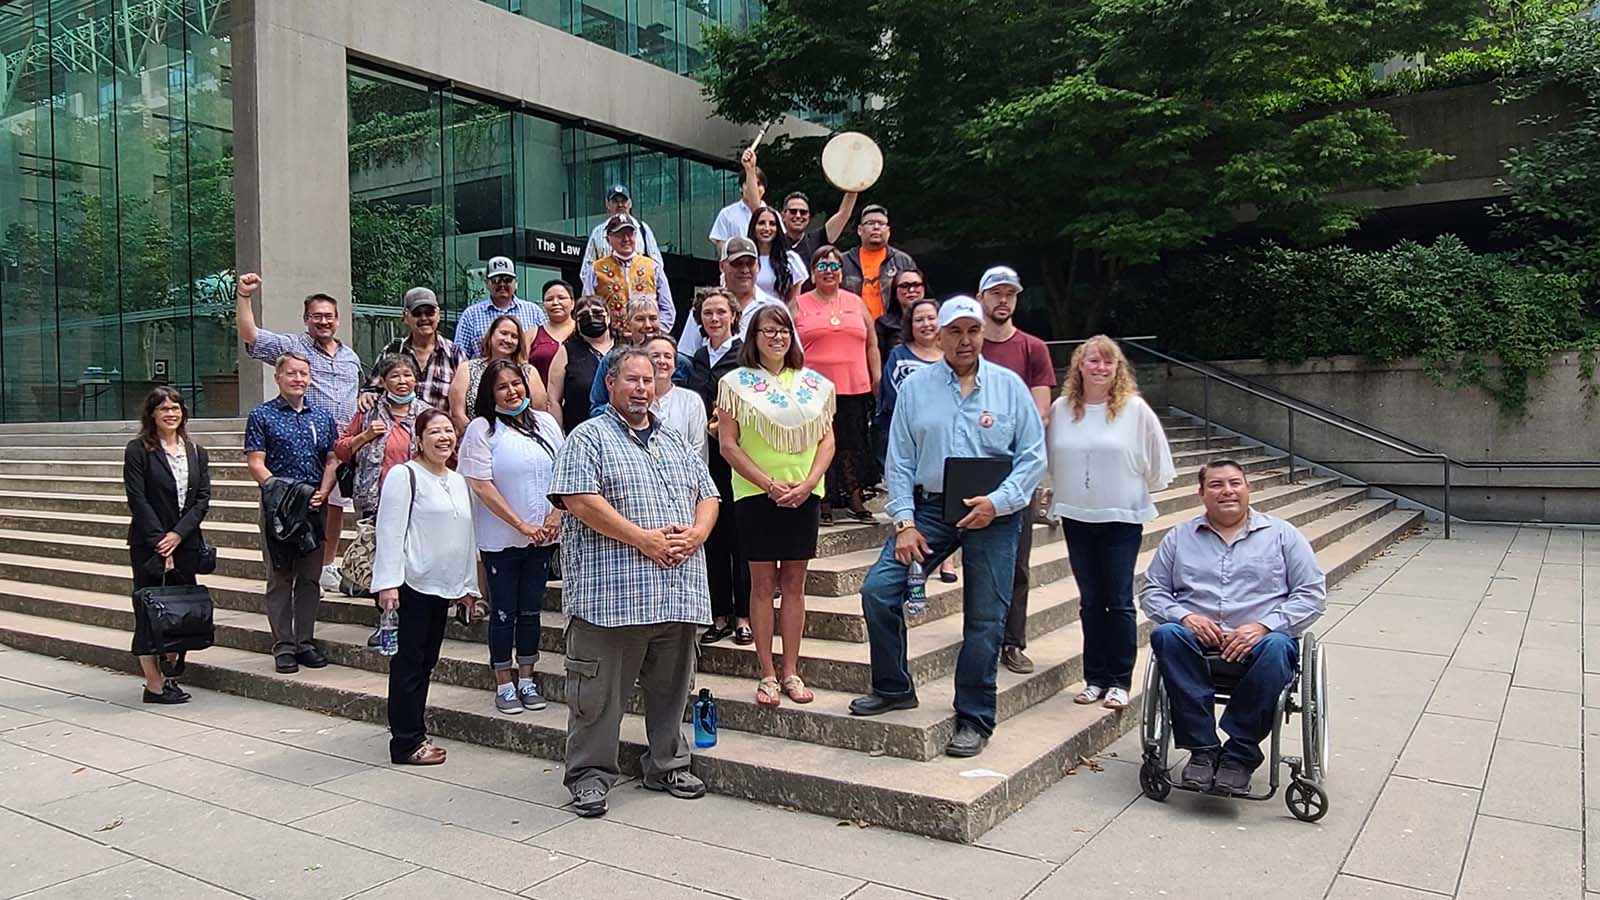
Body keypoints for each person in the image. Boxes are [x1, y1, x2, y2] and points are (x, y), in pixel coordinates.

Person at [849, 297, 1046, 759]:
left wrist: (999, 502)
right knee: (878, 590)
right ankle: (893, 687)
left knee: (984, 617)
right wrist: (904, 522)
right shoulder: (916, 388)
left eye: (971, 331)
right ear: (938, 337)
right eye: (953, 332)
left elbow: (1032, 456)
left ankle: (974, 716)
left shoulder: (1009, 387)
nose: (964, 340)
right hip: (931, 509)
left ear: (982, 333)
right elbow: (897, 458)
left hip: (994, 515)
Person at [550, 349, 721, 818]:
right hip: (611, 598)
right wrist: (642, 539)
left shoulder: (675, 442)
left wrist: (699, 533)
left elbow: (708, 494)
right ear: (610, 383)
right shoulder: (589, 437)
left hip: (675, 590)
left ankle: (667, 765)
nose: (642, 388)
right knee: (597, 697)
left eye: (649, 380)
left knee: (672, 690)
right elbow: (578, 499)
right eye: (632, 379)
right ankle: (589, 777)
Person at [1141, 459, 1326, 795]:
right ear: (1201, 494)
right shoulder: (1179, 538)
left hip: (1260, 643)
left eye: (1234, 483)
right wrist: (1185, 617)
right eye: (1216, 485)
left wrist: (1265, 626)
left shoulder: (1282, 535)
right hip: (1196, 642)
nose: (1227, 491)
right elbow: (1152, 593)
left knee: (1279, 647)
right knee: (1166, 634)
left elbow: (1312, 595)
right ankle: (1203, 750)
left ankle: (1239, 754)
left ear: (1247, 488)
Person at [1045, 336, 1175, 710]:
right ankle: (1094, 677)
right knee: (1090, 600)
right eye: (1093, 361)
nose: (1100, 368)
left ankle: (1119, 680)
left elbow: (1156, 462)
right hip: (1076, 516)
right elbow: (1053, 459)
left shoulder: (1134, 410)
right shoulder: (1063, 408)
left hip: (1120, 517)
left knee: (1117, 599)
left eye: (1108, 362)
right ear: (1079, 366)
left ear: (1118, 369)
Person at [716, 305, 836, 706]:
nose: (776, 337)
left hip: (804, 492)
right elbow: (728, 444)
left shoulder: (814, 384)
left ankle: (791, 671)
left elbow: (828, 440)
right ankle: (767, 672)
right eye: (768, 330)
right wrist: (767, 484)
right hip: (756, 494)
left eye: (783, 330)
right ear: (754, 336)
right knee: (762, 584)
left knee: (795, 585)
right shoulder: (736, 383)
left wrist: (810, 481)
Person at [235, 272, 361, 595]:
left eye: (329, 316)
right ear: (306, 319)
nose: (323, 322)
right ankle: (300, 568)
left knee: (335, 506)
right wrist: (244, 296)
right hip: (306, 436)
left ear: (338, 320)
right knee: (307, 504)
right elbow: (251, 335)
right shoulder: (293, 346)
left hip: (342, 443)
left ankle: (326, 565)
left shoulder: (350, 356)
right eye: (316, 316)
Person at [459, 359, 565, 715]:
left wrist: (554, 515)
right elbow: (480, 485)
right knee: (504, 611)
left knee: (531, 610)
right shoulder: (481, 430)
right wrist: (521, 525)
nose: (512, 391)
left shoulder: (547, 423)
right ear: (490, 394)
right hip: (502, 539)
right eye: (502, 386)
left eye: (516, 383)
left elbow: (566, 473)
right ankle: (503, 681)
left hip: (544, 536)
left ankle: (527, 677)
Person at [374, 408, 478, 766]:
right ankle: (405, 742)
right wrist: (388, 585)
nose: (443, 437)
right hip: (411, 585)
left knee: (426, 662)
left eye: (449, 431)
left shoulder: (458, 480)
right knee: (409, 664)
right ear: (419, 439)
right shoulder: (405, 476)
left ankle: (415, 729)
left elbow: (467, 538)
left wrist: (468, 586)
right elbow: (389, 531)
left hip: (443, 586)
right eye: (434, 431)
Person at [977, 265, 1058, 676]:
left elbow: (1040, 411)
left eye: (1010, 293)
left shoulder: (1032, 348)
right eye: (996, 293)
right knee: (976, 560)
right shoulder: (969, 345)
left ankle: (1012, 640)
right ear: (982, 299)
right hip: (972, 467)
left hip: (1016, 468)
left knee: (1017, 561)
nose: (1003, 300)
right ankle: (980, 638)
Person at [244, 351, 339, 674]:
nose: (298, 379)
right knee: (280, 576)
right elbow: (256, 462)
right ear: (278, 378)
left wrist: (324, 491)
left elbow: (331, 459)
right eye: (291, 374)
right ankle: (283, 645)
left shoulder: (322, 417)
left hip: (314, 504)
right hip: (279, 508)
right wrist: (281, 493)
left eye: (303, 374)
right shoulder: (262, 415)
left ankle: (305, 642)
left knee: (310, 578)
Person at [123, 386, 211, 704]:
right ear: (152, 414)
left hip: (186, 543)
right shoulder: (138, 450)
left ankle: (171, 671)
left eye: (175, 408)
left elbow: (202, 499)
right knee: (149, 612)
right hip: (150, 545)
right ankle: (154, 684)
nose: (170, 413)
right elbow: (138, 499)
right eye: (163, 409)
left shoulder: (196, 451)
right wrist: (161, 540)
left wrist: (178, 535)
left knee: (180, 611)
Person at [793, 245, 880, 526]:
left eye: (834, 266)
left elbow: (872, 343)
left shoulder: (856, 302)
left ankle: (855, 498)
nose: (829, 272)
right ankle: (825, 502)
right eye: (822, 266)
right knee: (820, 445)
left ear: (842, 273)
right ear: (812, 273)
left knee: (852, 444)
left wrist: (876, 377)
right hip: (813, 390)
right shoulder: (798, 303)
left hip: (854, 387)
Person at [686, 288, 752, 645]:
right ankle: (719, 613)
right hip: (705, 460)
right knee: (712, 536)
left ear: (732, 316)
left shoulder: (744, 355)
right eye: (708, 313)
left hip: (737, 457)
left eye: (720, 312)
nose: (714, 318)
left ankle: (743, 615)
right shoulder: (697, 359)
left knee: (741, 537)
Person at [875, 297, 956, 583]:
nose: (926, 323)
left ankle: (948, 562)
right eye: (919, 319)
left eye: (931, 317)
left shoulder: (953, 358)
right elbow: (894, 392)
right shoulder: (899, 354)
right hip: (911, 435)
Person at [336, 354, 424, 522]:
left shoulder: (426, 414)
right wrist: (365, 436)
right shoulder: (368, 410)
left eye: (407, 375)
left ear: (415, 380)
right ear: (383, 382)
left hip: (417, 499)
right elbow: (341, 449)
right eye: (395, 376)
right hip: (375, 501)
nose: (402, 381)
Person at [585, 298, 693, 421]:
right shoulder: (612, 360)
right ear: (628, 324)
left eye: (653, 319)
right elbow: (597, 407)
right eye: (640, 319)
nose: (648, 325)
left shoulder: (681, 363)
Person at [448, 314, 550, 436]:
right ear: (491, 334)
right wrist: (479, 438)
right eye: (503, 333)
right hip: (476, 440)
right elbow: (457, 413)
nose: (508, 339)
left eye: (514, 336)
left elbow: (539, 411)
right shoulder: (467, 369)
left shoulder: (529, 372)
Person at [678, 237, 780, 358]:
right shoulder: (705, 307)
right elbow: (686, 356)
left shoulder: (774, 308)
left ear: (758, 266)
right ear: (722, 266)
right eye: (737, 263)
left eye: (750, 263)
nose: (744, 270)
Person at [365, 287, 461, 412]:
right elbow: (372, 388)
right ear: (405, 317)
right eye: (417, 313)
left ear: (438, 315)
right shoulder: (393, 351)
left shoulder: (454, 354)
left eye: (429, 312)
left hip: (437, 429)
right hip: (397, 428)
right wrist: (366, 394)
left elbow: (464, 400)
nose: (424, 318)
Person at [582, 214, 675, 334]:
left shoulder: (652, 266)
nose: (626, 239)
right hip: (613, 341)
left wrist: (658, 333)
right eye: (619, 234)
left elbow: (667, 307)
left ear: (635, 236)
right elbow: (588, 306)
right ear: (608, 239)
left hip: (648, 341)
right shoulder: (596, 269)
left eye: (629, 234)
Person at [454, 256, 550, 361]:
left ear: (516, 283)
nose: (502, 284)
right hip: (483, 375)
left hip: (523, 374)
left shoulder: (534, 312)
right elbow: (459, 356)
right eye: (496, 280)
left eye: (507, 280)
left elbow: (544, 349)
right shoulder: (471, 315)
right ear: (487, 283)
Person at [547, 295, 615, 433]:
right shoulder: (566, 351)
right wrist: (559, 436)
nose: (591, 318)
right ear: (576, 322)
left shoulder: (626, 347)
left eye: (597, 313)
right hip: (579, 433)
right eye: (583, 316)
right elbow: (553, 400)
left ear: (608, 317)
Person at [840, 205, 917, 320]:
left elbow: (917, 296)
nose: (876, 227)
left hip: (893, 329)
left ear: (888, 231)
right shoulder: (843, 261)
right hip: (854, 326)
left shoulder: (903, 261)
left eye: (881, 224)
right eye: (870, 223)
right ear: (860, 230)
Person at [578, 184, 665, 287]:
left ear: (630, 203)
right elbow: (586, 271)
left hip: (639, 292)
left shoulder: (642, 228)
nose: (620, 205)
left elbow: (657, 265)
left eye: (623, 201)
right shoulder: (597, 232)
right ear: (608, 204)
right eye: (615, 201)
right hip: (608, 295)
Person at [646, 334, 708, 461]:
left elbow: (699, 450)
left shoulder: (691, 401)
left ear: (675, 365)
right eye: (655, 356)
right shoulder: (636, 400)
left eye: (667, 356)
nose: (662, 361)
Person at [780, 189, 858, 273]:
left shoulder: (818, 239)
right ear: (783, 215)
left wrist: (854, 185)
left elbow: (844, 214)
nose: (798, 215)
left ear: (808, 216)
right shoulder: (774, 243)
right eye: (793, 211)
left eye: (803, 212)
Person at [708, 147, 765, 255]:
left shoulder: (772, 215)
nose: (755, 188)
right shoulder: (727, 214)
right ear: (740, 188)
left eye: (759, 184)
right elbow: (722, 248)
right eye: (750, 183)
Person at [749, 206, 806, 303]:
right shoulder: (745, 260)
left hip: (779, 315)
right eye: (761, 223)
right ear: (753, 227)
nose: (767, 228)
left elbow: (794, 300)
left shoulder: (790, 260)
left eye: (772, 224)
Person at [527, 279, 576, 389]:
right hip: (540, 402)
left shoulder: (583, 332)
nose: (555, 303)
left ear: (573, 303)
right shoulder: (531, 335)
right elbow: (522, 370)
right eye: (549, 299)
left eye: (561, 298)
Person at [876, 268, 929, 363]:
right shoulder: (884, 324)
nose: (912, 290)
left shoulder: (939, 318)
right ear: (895, 291)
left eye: (916, 285)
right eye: (905, 286)